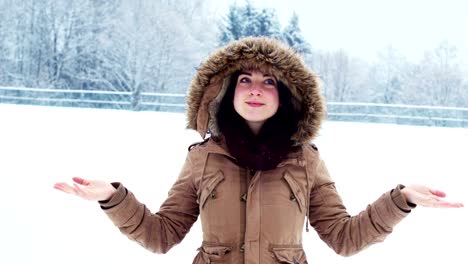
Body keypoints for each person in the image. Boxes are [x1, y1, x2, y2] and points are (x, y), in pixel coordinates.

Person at [54, 37, 463, 264]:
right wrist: (112, 197)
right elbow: (162, 236)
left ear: (284, 95)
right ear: (228, 91)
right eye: (245, 79)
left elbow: (344, 238)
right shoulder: (203, 157)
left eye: (269, 81)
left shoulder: (305, 160)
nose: (255, 88)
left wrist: (402, 199)